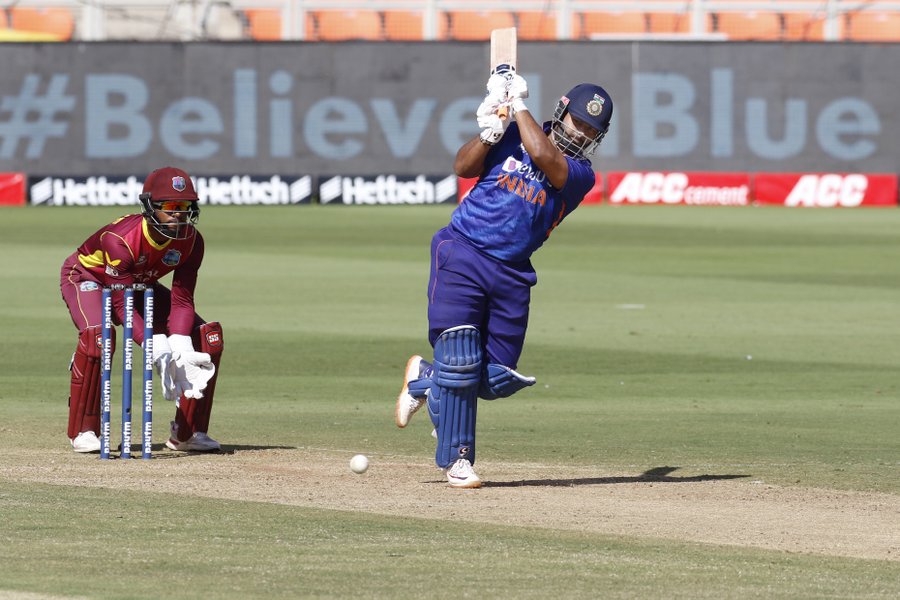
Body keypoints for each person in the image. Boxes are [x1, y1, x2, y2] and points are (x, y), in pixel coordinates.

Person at [395, 71, 613, 488]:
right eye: (578, 122)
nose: (583, 134)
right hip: (463, 251)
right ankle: (457, 460)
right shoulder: (513, 132)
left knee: (496, 377)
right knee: (460, 359)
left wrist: (518, 106)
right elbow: (462, 167)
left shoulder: (581, 174)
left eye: (592, 130)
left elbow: (546, 158)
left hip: (512, 272)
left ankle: (426, 377)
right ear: (561, 112)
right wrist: (490, 135)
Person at [60, 166, 224, 454]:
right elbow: (121, 304)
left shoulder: (191, 241)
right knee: (100, 338)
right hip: (88, 278)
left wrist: (181, 344)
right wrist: (154, 344)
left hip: (137, 283)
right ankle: (83, 430)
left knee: (206, 339)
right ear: (150, 207)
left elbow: (182, 299)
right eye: (172, 207)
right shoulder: (121, 239)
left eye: (186, 207)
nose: (180, 215)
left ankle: (186, 433)